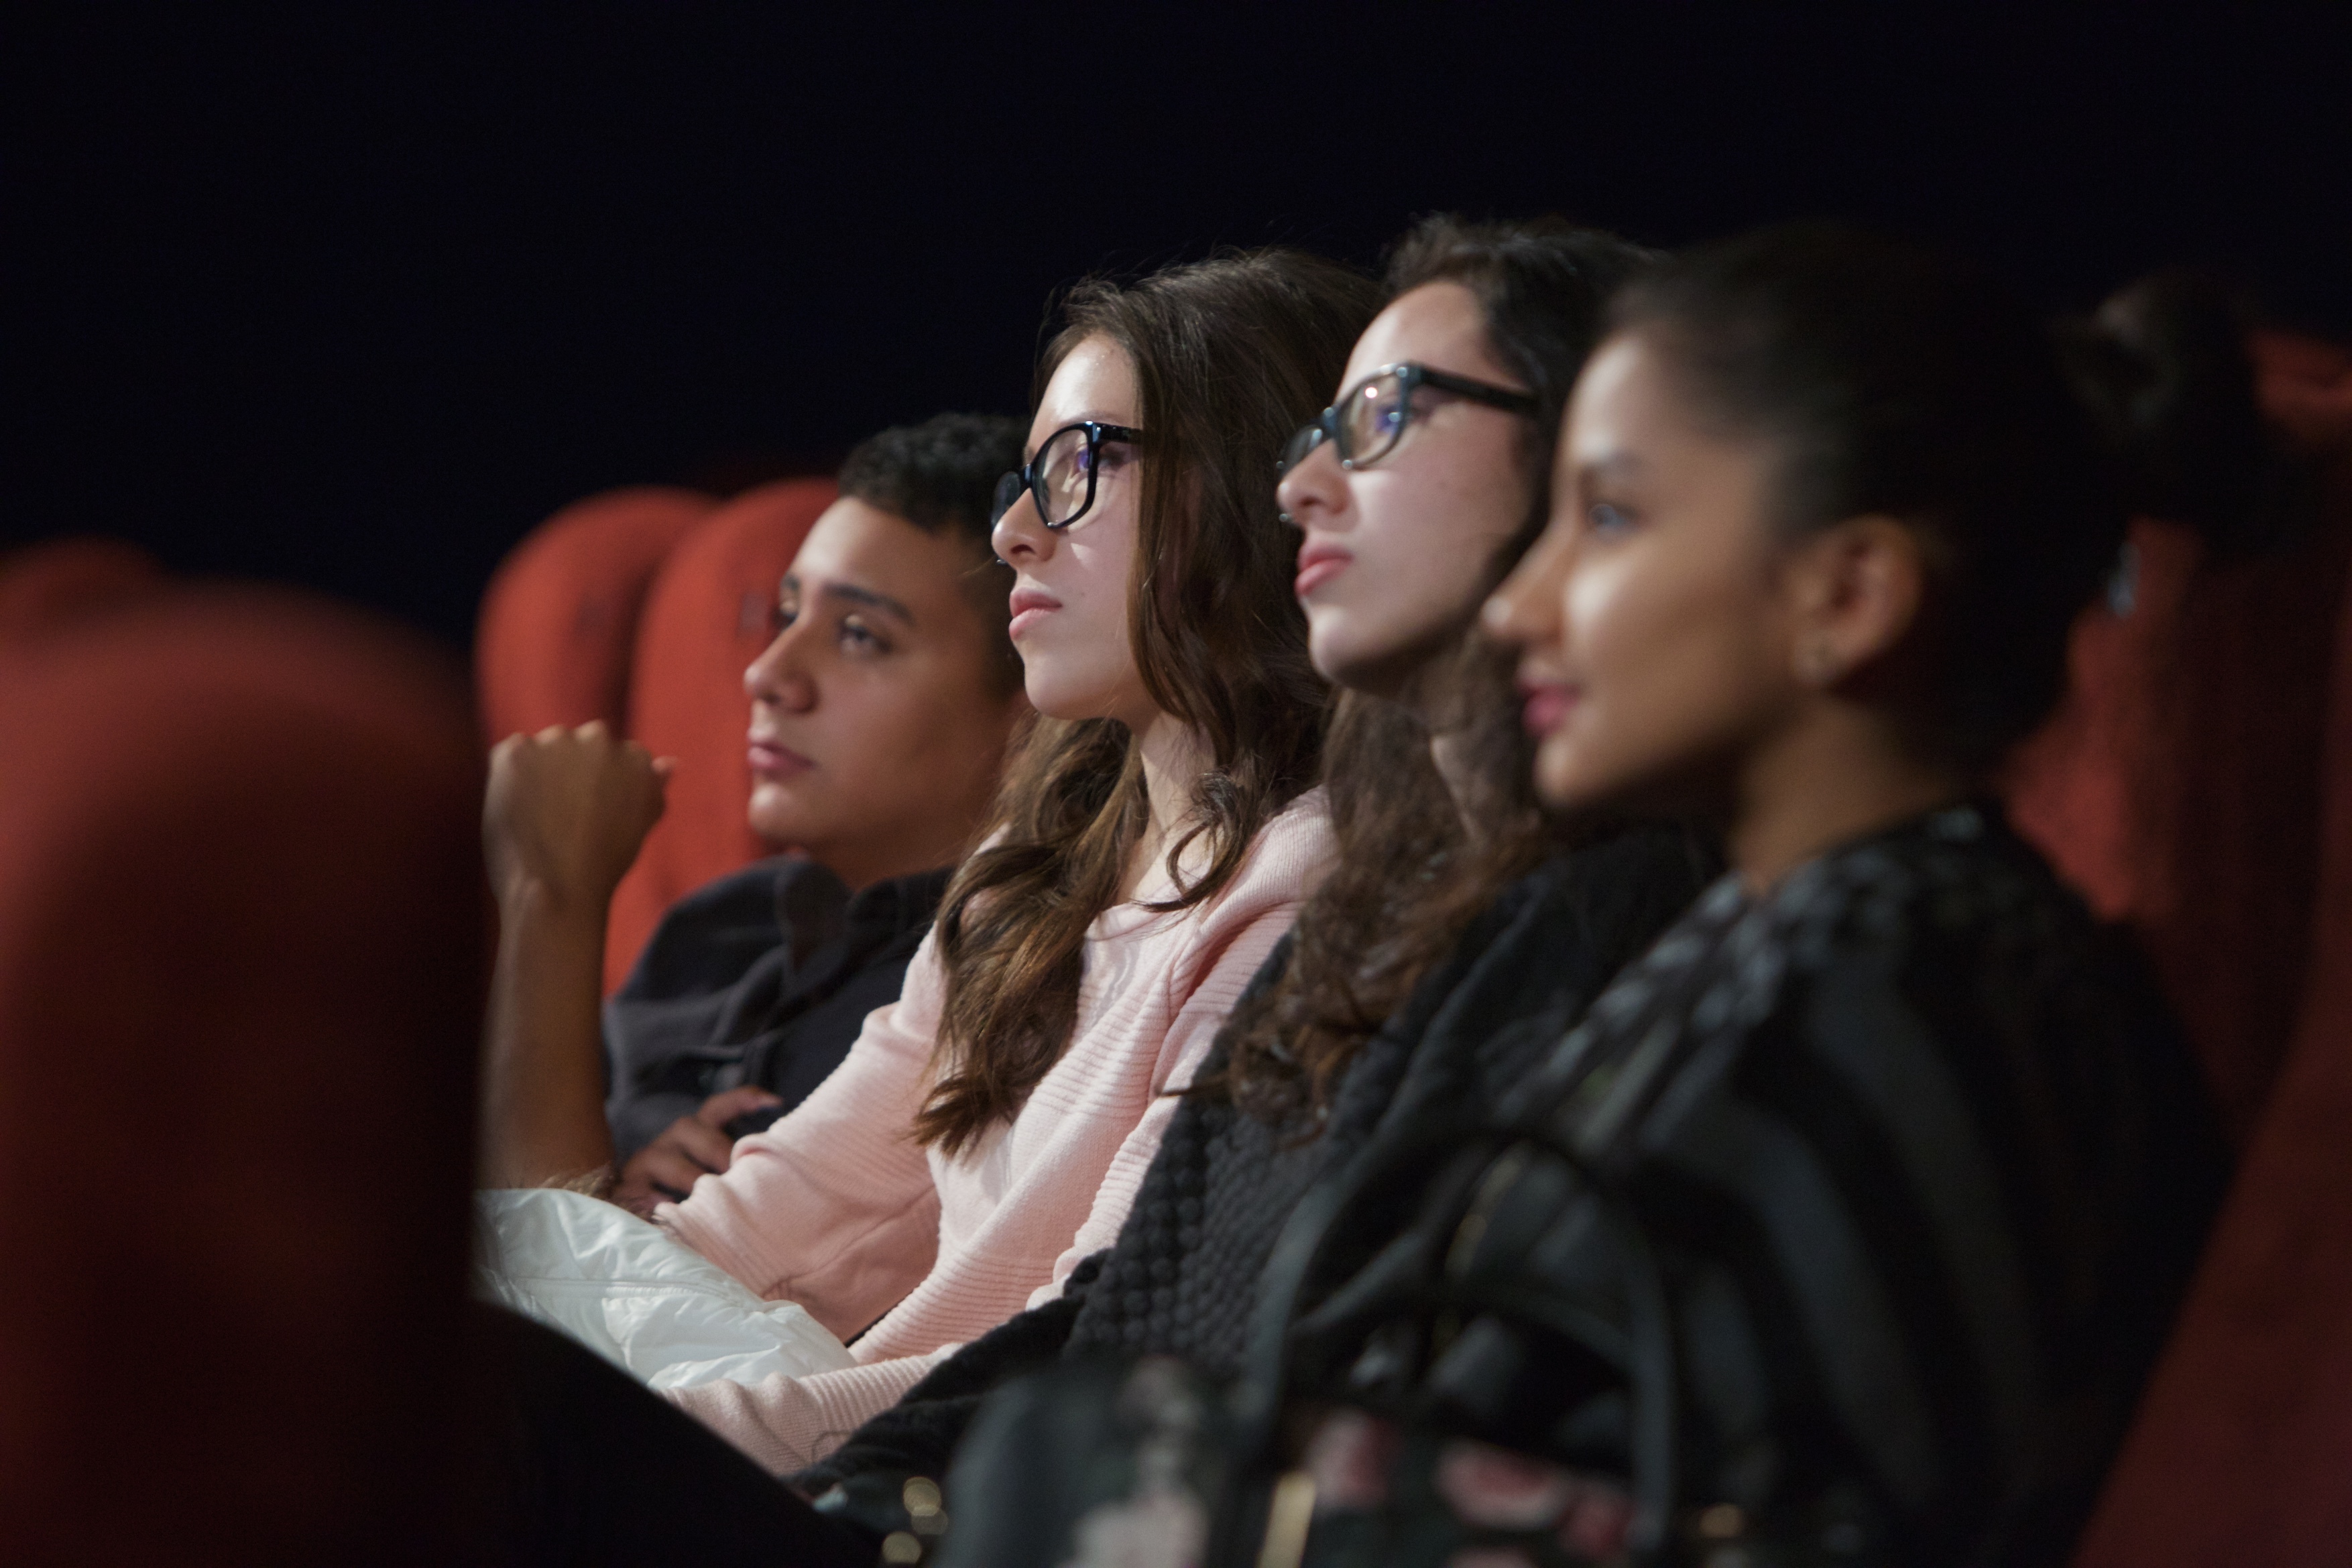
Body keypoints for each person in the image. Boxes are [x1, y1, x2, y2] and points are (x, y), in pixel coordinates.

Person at [1287, 224, 2236, 1566]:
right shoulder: (1799, 927)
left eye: (1607, 517)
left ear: (1844, 593)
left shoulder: (1918, 970)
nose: (1520, 605)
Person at [784, 217, 1719, 1552]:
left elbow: (1378, 1408)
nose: (1304, 491)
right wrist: (860, 1487)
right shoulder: (1393, 898)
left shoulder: (1596, 911)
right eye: (1315, 434)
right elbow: (1124, 1309)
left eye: (1386, 414)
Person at [471, 247, 1382, 1554]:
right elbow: (764, 1231)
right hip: (820, 1453)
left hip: (942, 1498)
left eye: (1079, 467)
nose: (1019, 527)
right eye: (1030, 478)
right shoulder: (1037, 868)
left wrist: (643, 1427)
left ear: (1245, 489)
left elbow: (1082, 1347)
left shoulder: (1300, 883)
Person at [479, 413, 1032, 1217]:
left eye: (858, 635)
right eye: (784, 614)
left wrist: (551, 894)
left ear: (1028, 714)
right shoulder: (720, 928)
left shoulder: (994, 991)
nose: (768, 675)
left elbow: (548, 1279)